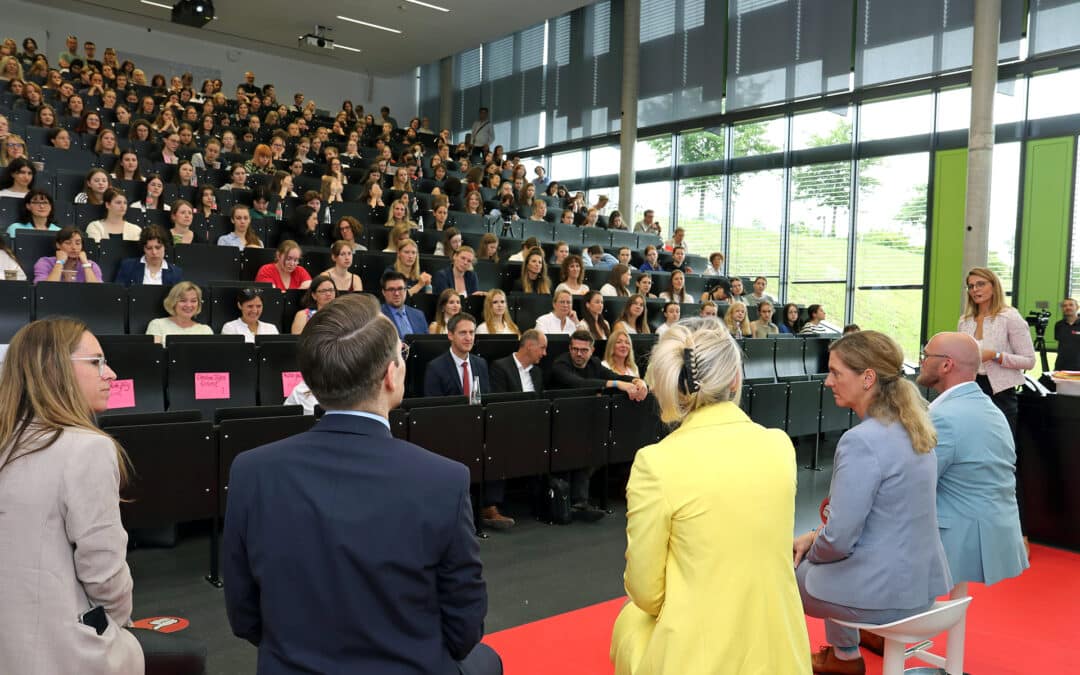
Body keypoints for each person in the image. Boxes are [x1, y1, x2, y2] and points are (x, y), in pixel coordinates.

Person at [223, 294, 501, 674]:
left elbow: (244, 616)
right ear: (391, 374)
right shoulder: (444, 480)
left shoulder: (251, 471)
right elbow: (464, 627)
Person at [0, 318, 208, 675]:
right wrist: (118, 623)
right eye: (96, 362)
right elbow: (105, 576)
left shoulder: (9, 440)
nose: (110, 374)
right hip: (63, 649)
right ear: (55, 370)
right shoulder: (87, 449)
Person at [610, 317, 811, 675]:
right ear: (735, 378)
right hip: (781, 655)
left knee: (630, 621)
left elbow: (646, 592)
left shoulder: (656, 463)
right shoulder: (779, 446)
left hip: (697, 658)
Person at [792, 331, 950, 675]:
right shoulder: (915, 428)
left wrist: (811, 549)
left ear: (867, 378)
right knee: (829, 553)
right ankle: (843, 657)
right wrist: (817, 536)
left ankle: (801, 657)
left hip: (884, 594)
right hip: (921, 586)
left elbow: (838, 540)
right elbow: (879, 518)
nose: (827, 382)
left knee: (784, 567)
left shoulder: (860, 441)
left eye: (836, 373)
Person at [916, 332, 1028, 596]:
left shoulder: (944, 417)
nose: (921, 361)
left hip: (960, 539)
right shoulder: (991, 409)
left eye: (926, 355)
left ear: (946, 365)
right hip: (996, 530)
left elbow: (914, 484)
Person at [423, 312, 513, 530]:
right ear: (450, 336)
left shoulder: (480, 364)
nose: (468, 337)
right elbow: (432, 409)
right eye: (462, 333)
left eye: (472, 332)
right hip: (449, 429)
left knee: (498, 442)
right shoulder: (436, 367)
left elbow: (485, 400)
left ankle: (489, 507)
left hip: (477, 426)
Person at [550, 329, 647, 518]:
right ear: (569, 348)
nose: (579, 354)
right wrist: (617, 385)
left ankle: (580, 502)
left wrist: (637, 380)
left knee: (596, 447)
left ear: (592, 350)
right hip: (558, 421)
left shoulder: (594, 363)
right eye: (575, 349)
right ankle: (575, 502)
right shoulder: (560, 364)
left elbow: (613, 375)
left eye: (584, 350)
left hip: (583, 420)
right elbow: (578, 383)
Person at [957, 267, 1036, 433]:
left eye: (980, 284)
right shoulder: (965, 321)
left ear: (994, 286)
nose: (975, 289)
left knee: (1001, 445)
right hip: (970, 390)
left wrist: (995, 356)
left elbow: (1029, 361)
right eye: (971, 286)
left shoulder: (1010, 317)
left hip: (1001, 393)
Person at [114, 225, 184, 287]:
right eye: (149, 248)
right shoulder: (128, 266)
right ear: (143, 248)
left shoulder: (176, 273)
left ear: (165, 247)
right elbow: (118, 295)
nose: (154, 252)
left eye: (158, 247)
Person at [33, 227, 101, 283]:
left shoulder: (91, 265)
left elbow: (97, 291)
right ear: (58, 245)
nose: (74, 247)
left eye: (78, 243)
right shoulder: (45, 262)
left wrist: (86, 264)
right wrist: (59, 263)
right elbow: (44, 290)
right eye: (68, 243)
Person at [489, 329, 547, 393]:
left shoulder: (537, 372)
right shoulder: (500, 367)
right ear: (529, 346)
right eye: (542, 348)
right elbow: (500, 399)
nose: (544, 353)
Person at [380, 271, 429, 338]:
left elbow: (425, 343)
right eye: (391, 289)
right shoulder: (377, 316)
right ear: (383, 292)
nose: (396, 293)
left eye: (400, 289)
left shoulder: (418, 315)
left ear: (406, 290)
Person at [1055, 297, 1079, 370]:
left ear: (1077, 307)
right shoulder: (1058, 325)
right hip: (1061, 367)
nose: (1068, 307)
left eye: (1071, 305)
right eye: (1064, 306)